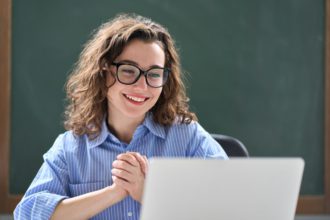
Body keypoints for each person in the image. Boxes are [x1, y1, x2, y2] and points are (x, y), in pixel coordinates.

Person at [14, 13, 228, 220]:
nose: (142, 86)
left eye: (154, 74)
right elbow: (27, 214)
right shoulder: (71, 147)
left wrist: (146, 193)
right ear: (104, 70)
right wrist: (115, 192)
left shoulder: (187, 136)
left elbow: (227, 205)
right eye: (128, 70)